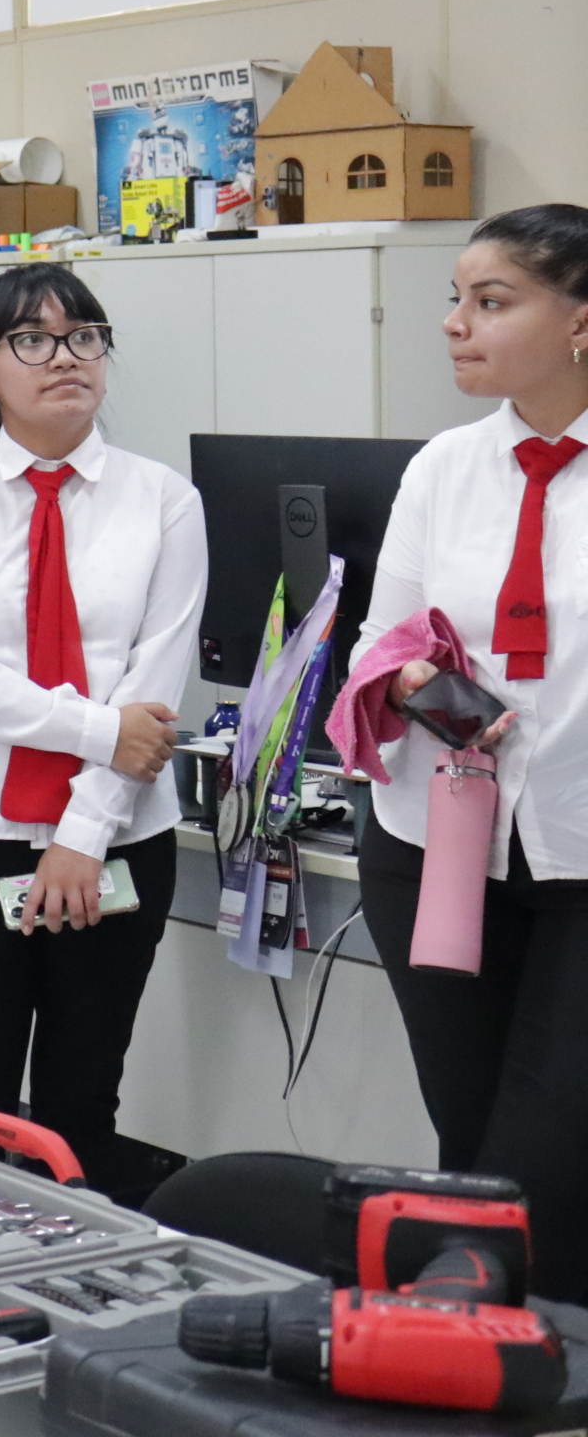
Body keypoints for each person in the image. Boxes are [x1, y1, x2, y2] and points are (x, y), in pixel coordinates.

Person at [0, 263, 198, 1201]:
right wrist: (101, 730)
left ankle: (74, 1277)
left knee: (80, 1107)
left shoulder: (163, 498)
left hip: (120, 839)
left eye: (83, 337)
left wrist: (82, 833)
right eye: (31, 340)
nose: (64, 357)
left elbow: (156, 682)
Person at [356, 206, 588, 1301]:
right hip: (435, 849)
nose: (455, 323)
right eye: (456, 300)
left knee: (551, 1164)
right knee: (472, 1152)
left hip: (579, 854)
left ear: (580, 323)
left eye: (490, 302)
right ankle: (482, 1362)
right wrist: (418, 685)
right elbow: (380, 646)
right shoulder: (445, 466)